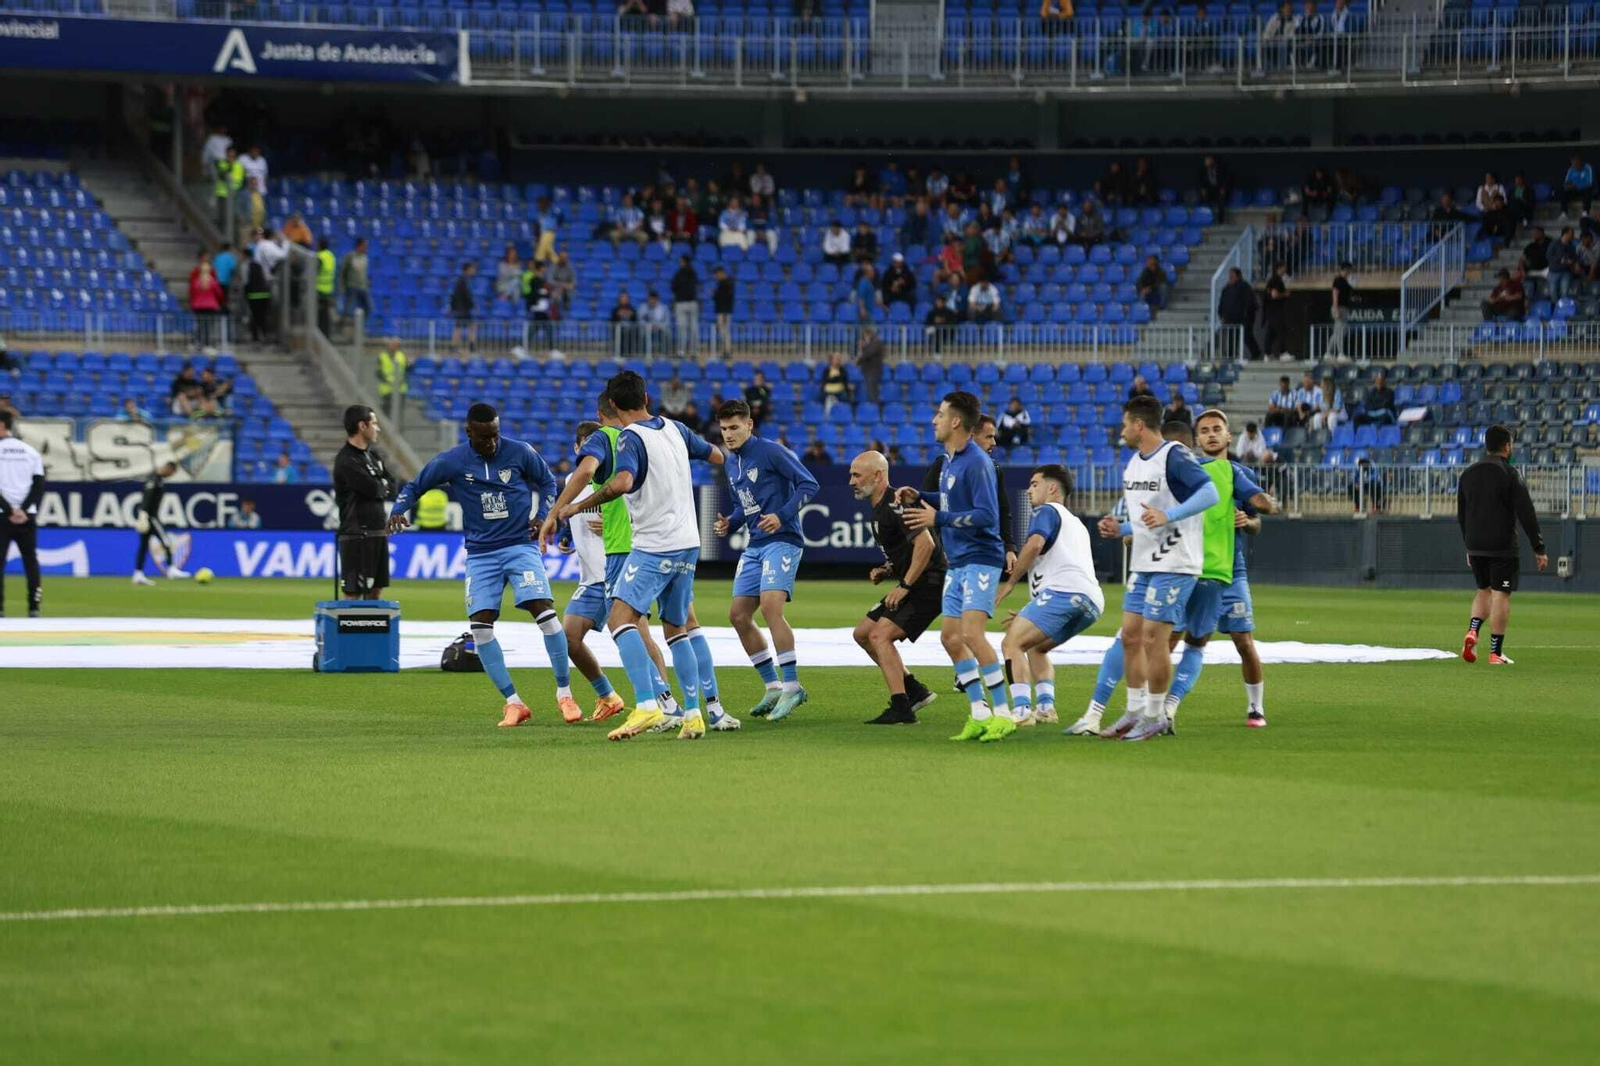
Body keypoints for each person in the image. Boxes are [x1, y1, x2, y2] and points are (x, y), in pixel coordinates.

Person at [546, 371, 729, 741]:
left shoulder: (630, 436)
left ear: (612, 405)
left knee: (620, 618)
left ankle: (646, 705)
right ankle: (694, 714)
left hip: (654, 544)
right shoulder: (676, 428)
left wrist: (579, 506)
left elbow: (624, 482)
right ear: (646, 396)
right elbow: (718, 456)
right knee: (678, 628)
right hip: (688, 543)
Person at [387, 403, 578, 727]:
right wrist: (398, 508)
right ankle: (514, 703)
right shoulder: (452, 461)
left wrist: (543, 516)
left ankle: (565, 694)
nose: (492, 443)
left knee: (545, 613)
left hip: (520, 546)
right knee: (480, 628)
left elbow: (548, 483)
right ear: (469, 433)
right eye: (484, 438)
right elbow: (416, 485)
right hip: (481, 554)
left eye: (495, 435)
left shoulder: (520, 452)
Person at [1078, 396, 1219, 741]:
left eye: (1126, 424)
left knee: (1156, 638)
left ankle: (1156, 715)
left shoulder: (1174, 454)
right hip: (1144, 562)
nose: (1122, 431)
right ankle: (1134, 710)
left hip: (1176, 561)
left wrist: (1169, 516)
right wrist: (1122, 529)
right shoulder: (1133, 465)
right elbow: (1146, 518)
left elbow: (1210, 492)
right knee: (1130, 636)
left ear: (1139, 425)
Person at [895, 391, 1017, 742]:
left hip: (980, 558)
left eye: (939, 414)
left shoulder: (977, 462)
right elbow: (948, 499)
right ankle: (979, 713)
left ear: (955, 422)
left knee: (972, 635)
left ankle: (1003, 714)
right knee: (950, 636)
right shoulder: (950, 460)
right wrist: (920, 497)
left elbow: (986, 516)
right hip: (960, 561)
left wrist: (939, 517)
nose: (933, 420)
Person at [713, 400, 821, 723]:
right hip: (755, 545)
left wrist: (782, 515)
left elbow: (809, 484)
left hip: (783, 541)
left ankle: (792, 686)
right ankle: (773, 685)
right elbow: (742, 507)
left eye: (734, 427)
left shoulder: (771, 452)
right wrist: (729, 523)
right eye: (724, 429)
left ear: (750, 425)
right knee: (738, 615)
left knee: (772, 608)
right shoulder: (732, 465)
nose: (729, 435)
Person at [995, 465, 1104, 728]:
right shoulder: (1076, 523)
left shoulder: (1045, 510)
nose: (1030, 490)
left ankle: (1021, 712)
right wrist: (1032, 609)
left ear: (1051, 487)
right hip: (1091, 601)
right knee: (1036, 647)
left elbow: (1034, 545)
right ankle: (1045, 708)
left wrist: (1010, 582)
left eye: (1034, 484)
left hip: (1064, 592)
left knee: (1011, 644)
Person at [848, 450, 944, 725]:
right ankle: (914, 690)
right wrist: (887, 568)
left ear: (878, 476)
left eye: (856, 475)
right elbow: (908, 548)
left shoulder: (896, 504)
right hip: (917, 582)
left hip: (930, 584)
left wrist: (903, 585)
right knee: (863, 633)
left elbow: (927, 544)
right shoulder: (880, 507)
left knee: (880, 636)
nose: (851, 481)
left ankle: (902, 708)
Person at [551, 421, 632, 724]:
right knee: (569, 638)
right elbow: (575, 519)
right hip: (590, 578)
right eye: (585, 449)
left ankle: (660, 701)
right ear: (577, 450)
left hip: (613, 572)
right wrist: (568, 538)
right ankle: (609, 696)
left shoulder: (615, 480)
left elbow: (637, 518)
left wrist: (617, 525)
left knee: (632, 637)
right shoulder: (574, 481)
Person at [1457, 424, 1548, 667]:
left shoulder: (1467, 474)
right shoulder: (1510, 474)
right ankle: (1495, 652)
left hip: (1475, 544)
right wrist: (1538, 548)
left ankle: (1473, 630)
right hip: (1501, 545)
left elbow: (1461, 514)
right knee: (1500, 594)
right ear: (1507, 446)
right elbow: (1526, 513)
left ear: (1487, 445)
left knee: (1483, 590)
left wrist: (1468, 545)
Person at [332, 405, 395, 601]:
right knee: (353, 592)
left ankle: (372, 632)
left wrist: (381, 485)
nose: (378, 428)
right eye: (374, 423)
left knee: (376, 590)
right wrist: (380, 485)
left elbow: (392, 485)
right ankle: (349, 631)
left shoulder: (373, 456)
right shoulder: (346, 460)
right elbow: (373, 488)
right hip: (356, 533)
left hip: (378, 532)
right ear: (362, 426)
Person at [0, 410, 45, 617]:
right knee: (30, 560)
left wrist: (10, 510)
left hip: (2, 514)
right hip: (27, 517)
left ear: (2, 425)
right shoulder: (30, 452)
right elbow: (38, 485)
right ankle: (34, 607)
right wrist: (23, 510)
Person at [131, 461, 191, 584]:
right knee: (166, 541)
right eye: (171, 472)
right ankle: (172, 569)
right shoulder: (155, 479)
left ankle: (138, 574)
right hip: (151, 517)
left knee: (143, 546)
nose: (170, 475)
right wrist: (143, 513)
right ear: (168, 468)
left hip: (147, 516)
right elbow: (147, 496)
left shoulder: (154, 478)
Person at [1217, 267, 1262, 360]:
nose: (1230, 278)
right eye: (1230, 276)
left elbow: (1249, 301)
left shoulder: (1244, 286)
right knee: (1231, 338)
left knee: (1246, 336)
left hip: (1243, 318)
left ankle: (1256, 353)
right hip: (1230, 318)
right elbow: (1222, 302)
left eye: (1232, 276)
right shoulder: (1226, 288)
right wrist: (1221, 313)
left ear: (1238, 276)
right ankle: (1231, 357)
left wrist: (1246, 315)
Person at [670, 254, 699, 358]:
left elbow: (673, 287)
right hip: (692, 302)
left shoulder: (678, 274)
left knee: (682, 328)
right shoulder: (693, 273)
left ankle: (681, 351)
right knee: (693, 328)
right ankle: (694, 351)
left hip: (681, 303)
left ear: (683, 261)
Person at [1326, 260, 1353, 361]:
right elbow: (1335, 294)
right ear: (1345, 270)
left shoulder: (1345, 281)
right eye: (1349, 270)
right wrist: (1336, 308)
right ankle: (1340, 353)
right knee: (1340, 331)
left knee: (1337, 332)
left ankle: (1328, 353)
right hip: (1339, 307)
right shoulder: (1338, 280)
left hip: (1343, 307)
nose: (1350, 273)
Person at [1262, 264, 1290, 360]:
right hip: (1276, 310)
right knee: (1281, 330)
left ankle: (1267, 353)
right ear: (1279, 268)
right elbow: (1275, 295)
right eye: (1284, 267)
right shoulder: (1276, 280)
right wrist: (1285, 294)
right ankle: (1283, 353)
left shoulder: (1271, 280)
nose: (1285, 269)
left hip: (1270, 311)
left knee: (1271, 331)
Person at [341, 238, 371, 324]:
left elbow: (364, 273)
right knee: (348, 309)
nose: (366, 248)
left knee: (369, 307)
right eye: (364, 246)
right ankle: (342, 326)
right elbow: (343, 272)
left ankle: (360, 326)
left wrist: (367, 283)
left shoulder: (365, 258)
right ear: (359, 246)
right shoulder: (350, 257)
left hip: (363, 287)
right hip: (352, 286)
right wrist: (343, 286)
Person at [376, 337, 407, 420]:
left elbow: (406, 370)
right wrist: (386, 380)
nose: (393, 346)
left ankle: (397, 429)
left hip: (400, 388)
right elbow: (378, 372)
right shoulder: (382, 356)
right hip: (387, 389)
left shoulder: (402, 355)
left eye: (395, 344)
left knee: (398, 411)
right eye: (392, 344)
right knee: (387, 410)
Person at [450, 260, 477, 354]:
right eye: (472, 268)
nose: (473, 270)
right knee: (462, 327)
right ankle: (469, 347)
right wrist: (473, 306)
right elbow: (466, 295)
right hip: (463, 309)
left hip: (462, 308)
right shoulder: (463, 280)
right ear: (468, 269)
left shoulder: (462, 279)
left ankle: (457, 346)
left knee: (466, 326)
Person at [855, 326, 885, 405]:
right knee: (870, 392)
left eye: (865, 336)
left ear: (869, 334)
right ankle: (873, 409)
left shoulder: (876, 342)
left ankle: (877, 411)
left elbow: (868, 354)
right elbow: (861, 357)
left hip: (873, 372)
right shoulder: (869, 343)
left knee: (873, 393)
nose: (865, 338)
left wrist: (863, 346)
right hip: (868, 371)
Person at [315, 238, 337, 336]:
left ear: (319, 245)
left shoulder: (319, 257)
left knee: (320, 315)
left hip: (319, 290)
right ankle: (327, 334)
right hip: (329, 288)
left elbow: (315, 271)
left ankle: (322, 334)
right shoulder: (331, 256)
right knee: (325, 314)